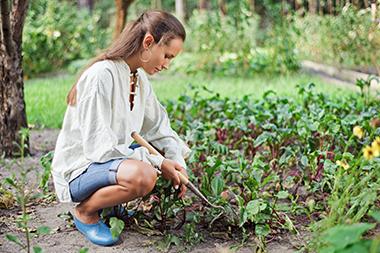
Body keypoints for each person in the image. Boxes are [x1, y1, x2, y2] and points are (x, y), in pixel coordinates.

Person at [51, 10, 191, 246]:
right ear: (148, 42)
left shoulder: (138, 77)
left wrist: (178, 162)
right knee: (144, 176)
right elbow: (99, 150)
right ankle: (86, 212)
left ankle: (110, 207)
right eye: (166, 55)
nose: (167, 65)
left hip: (107, 165)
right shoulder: (101, 76)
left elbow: (159, 127)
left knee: (156, 152)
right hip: (81, 170)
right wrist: (157, 162)